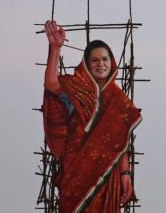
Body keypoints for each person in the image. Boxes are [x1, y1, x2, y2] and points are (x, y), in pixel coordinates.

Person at [42, 20, 142, 213]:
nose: (100, 64)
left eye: (104, 59)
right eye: (94, 60)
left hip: (106, 177)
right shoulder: (76, 89)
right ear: (86, 64)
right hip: (75, 174)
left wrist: (125, 174)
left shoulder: (119, 100)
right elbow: (52, 84)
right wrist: (55, 48)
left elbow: (121, 144)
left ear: (111, 63)